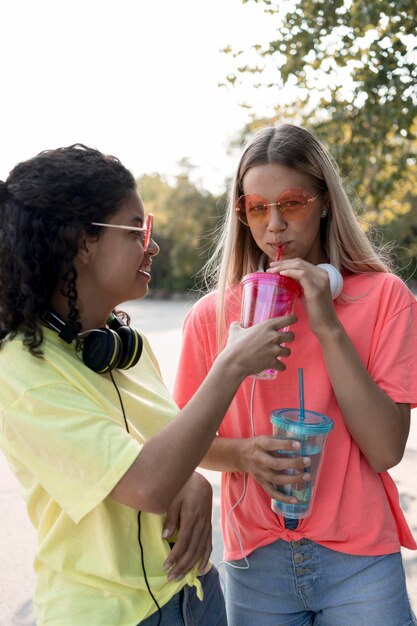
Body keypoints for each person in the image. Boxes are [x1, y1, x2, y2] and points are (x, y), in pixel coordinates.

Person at [0, 144, 306, 626]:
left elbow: (170, 453)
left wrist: (197, 481)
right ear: (82, 242)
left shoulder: (124, 344)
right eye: (137, 229)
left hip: (196, 593)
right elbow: (146, 483)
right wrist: (230, 366)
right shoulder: (18, 370)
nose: (153, 245)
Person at [173, 123, 417, 626]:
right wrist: (244, 454)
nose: (274, 226)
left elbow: (386, 449)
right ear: (241, 214)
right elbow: (181, 442)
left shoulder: (384, 298)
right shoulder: (213, 317)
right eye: (257, 208)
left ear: (324, 201)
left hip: (360, 562)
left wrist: (327, 322)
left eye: (292, 203)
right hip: (254, 562)